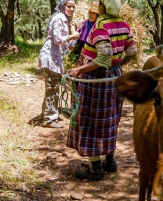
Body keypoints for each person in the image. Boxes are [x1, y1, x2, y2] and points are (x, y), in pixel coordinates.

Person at [66, 0, 137, 181]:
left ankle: (96, 169)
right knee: (110, 119)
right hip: (113, 79)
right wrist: (117, 66)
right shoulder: (123, 25)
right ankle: (110, 161)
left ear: (103, 7)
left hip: (95, 81)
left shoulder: (100, 27)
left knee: (90, 120)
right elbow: (132, 52)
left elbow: (103, 59)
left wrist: (78, 70)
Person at [38, 0, 80, 128]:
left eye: (73, 7)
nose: (71, 9)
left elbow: (65, 45)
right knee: (53, 88)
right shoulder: (60, 18)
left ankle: (46, 114)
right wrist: (73, 36)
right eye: (69, 6)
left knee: (52, 87)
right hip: (51, 58)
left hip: (54, 58)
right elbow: (57, 39)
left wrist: (73, 38)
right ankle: (49, 119)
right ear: (63, 6)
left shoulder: (64, 20)